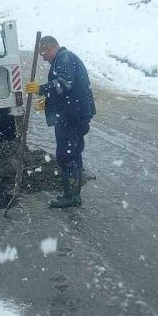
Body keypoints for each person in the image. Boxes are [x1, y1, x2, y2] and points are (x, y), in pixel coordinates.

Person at [24, 36, 96, 208]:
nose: (43, 58)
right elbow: (64, 91)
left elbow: (64, 84)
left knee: (66, 154)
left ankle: (71, 197)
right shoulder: (64, 58)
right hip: (74, 114)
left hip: (73, 117)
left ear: (50, 49)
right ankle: (73, 194)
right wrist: (49, 101)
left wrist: (41, 89)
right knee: (73, 153)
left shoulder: (64, 58)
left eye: (43, 54)